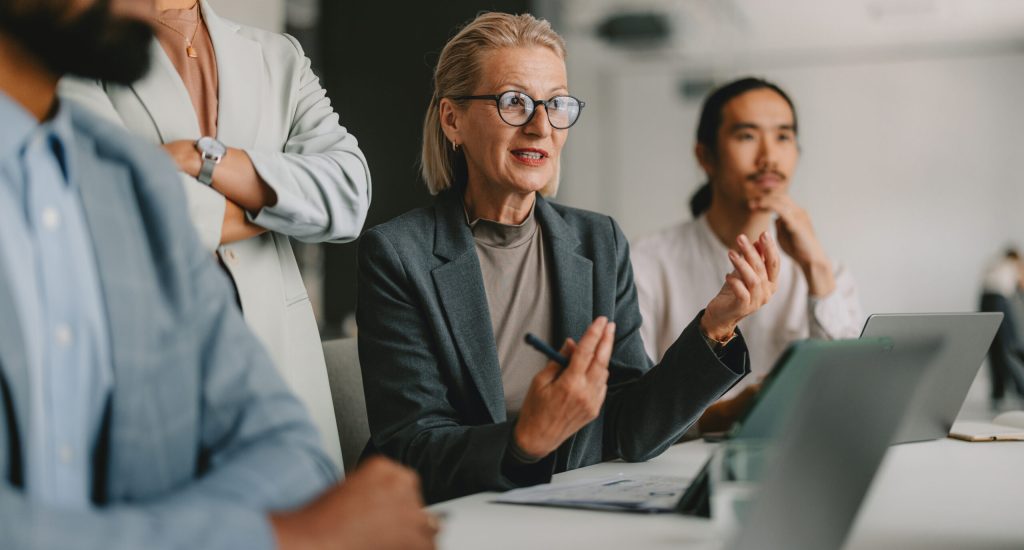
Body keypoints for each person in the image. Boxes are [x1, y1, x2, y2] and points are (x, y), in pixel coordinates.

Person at [0, 1, 434, 548]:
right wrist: (283, 535)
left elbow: (288, 449)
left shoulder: (116, 173)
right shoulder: (126, 177)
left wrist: (204, 160)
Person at [357, 12, 780, 504]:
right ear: (453, 119)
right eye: (514, 102)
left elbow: (632, 428)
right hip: (446, 515)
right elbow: (412, 447)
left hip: (564, 502)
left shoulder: (598, 241)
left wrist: (716, 327)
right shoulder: (397, 253)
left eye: (556, 104)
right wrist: (525, 441)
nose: (541, 126)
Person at [59, 0, 372, 467]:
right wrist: (279, 204)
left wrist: (199, 156)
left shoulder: (278, 55)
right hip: (158, 367)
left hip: (280, 364)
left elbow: (348, 196)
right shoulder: (79, 58)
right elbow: (121, 206)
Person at [631, 77, 864, 430]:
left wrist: (815, 267)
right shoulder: (645, 263)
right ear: (705, 156)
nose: (769, 157)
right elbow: (631, 412)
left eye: (783, 136)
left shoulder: (828, 272)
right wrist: (728, 413)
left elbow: (848, 396)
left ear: (797, 154)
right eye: (747, 136)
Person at [980, 248, 1024, 409]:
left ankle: (998, 392)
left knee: (994, 349)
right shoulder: (1014, 264)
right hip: (999, 301)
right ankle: (1021, 390)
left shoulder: (993, 263)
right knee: (1010, 348)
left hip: (985, 301)